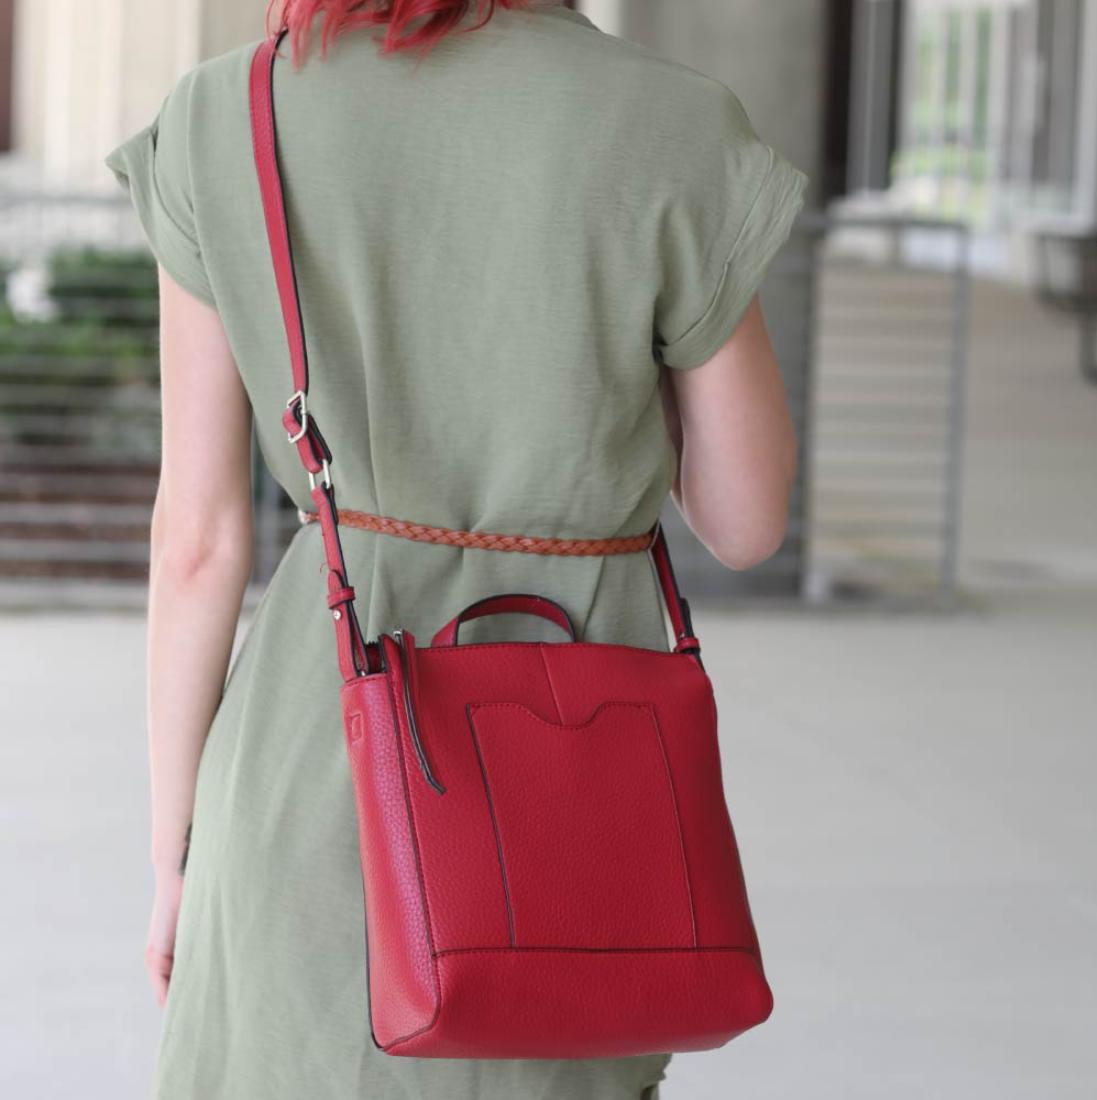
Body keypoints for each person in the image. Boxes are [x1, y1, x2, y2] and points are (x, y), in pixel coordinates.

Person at [104, 1, 807, 1096]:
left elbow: (197, 540)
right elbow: (745, 518)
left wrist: (175, 856)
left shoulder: (225, 114)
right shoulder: (673, 124)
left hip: (313, 760)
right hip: (570, 785)